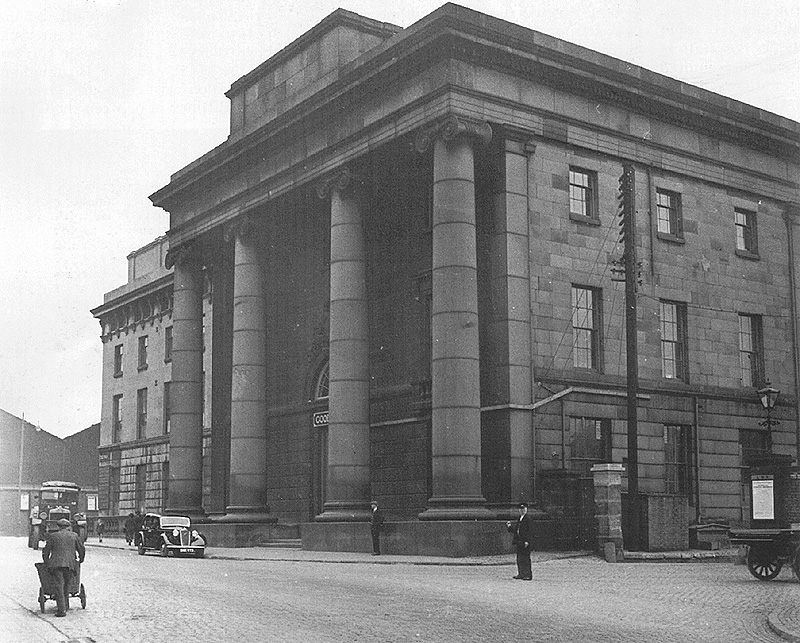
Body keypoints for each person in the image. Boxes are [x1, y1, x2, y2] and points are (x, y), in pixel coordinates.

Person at [42, 518, 85, 617]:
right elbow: (81, 549)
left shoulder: (53, 536)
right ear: (68, 526)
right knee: (67, 585)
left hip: (56, 565)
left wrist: (46, 561)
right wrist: (81, 559)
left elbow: (46, 551)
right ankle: (65, 605)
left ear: (58, 526)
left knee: (59, 586)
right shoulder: (74, 535)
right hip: (70, 565)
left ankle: (61, 611)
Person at [507, 502, 533, 580]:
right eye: (521, 509)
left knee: (526, 558)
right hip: (519, 541)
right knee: (520, 558)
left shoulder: (528, 519)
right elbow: (517, 530)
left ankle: (528, 574)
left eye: (524, 509)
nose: (522, 510)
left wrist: (527, 541)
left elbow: (530, 531)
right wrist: (510, 527)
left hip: (525, 541)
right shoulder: (520, 518)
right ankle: (521, 574)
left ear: (526, 509)